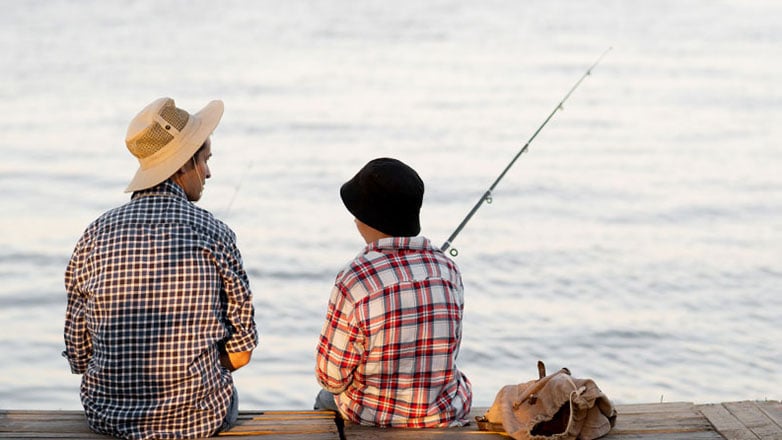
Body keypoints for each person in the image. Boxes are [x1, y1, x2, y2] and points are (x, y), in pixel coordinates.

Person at [63, 97, 258, 439]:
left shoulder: (94, 234)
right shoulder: (214, 232)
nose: (209, 172)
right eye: (206, 160)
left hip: (107, 417)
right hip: (198, 420)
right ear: (185, 164)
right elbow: (240, 354)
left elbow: (79, 358)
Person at [314, 157, 472, 427]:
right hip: (442, 413)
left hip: (374, 417)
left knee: (325, 396)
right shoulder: (448, 270)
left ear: (364, 219)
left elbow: (331, 377)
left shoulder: (354, 279)